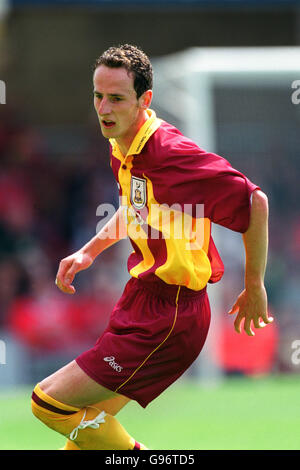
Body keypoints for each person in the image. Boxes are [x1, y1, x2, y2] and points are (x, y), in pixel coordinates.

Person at [31, 44, 273, 450]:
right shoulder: (124, 143)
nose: (103, 108)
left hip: (171, 315)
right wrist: (89, 251)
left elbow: (255, 202)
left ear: (144, 100)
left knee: (48, 402)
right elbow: (138, 209)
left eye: (116, 98)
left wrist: (256, 285)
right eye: (97, 95)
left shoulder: (170, 154)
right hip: (142, 301)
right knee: (85, 438)